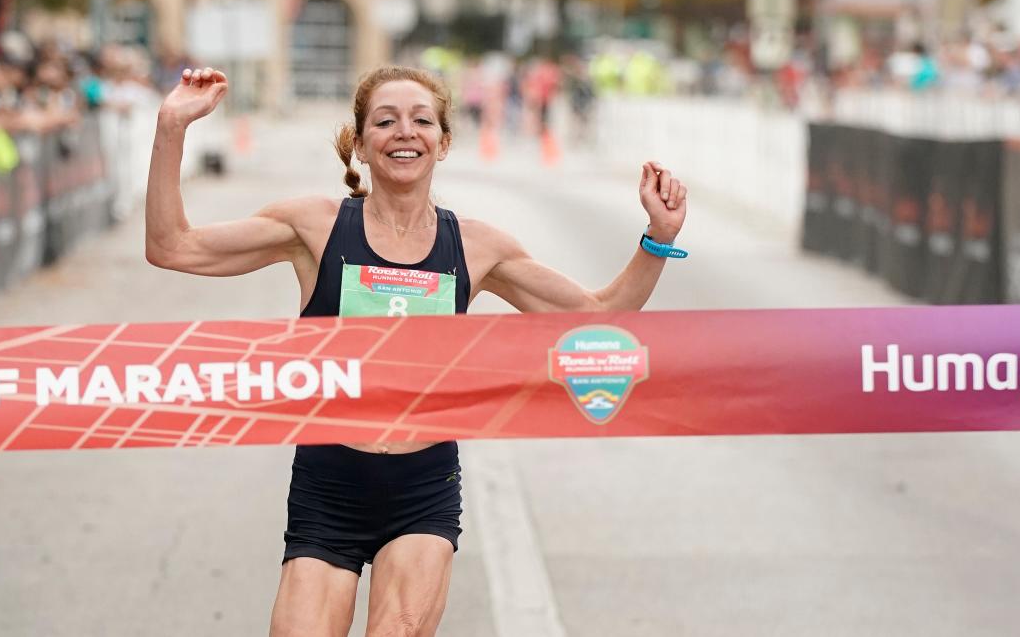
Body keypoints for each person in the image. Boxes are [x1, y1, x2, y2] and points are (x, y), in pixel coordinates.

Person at [145, 64, 688, 636]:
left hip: (421, 490)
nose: (405, 132)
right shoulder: (315, 227)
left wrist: (659, 238)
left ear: (443, 141)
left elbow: (598, 318)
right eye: (385, 121)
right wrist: (170, 127)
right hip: (328, 485)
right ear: (359, 142)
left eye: (421, 120)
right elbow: (172, 246)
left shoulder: (476, 248)